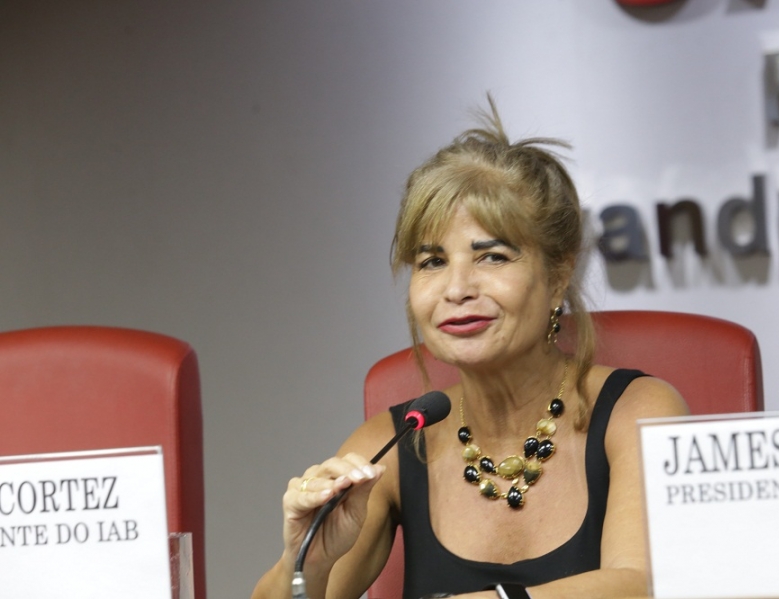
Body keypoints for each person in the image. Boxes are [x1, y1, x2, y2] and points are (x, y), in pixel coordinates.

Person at [252, 99, 689, 599]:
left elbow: (643, 586)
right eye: (432, 262)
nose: (457, 289)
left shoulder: (638, 412)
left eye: (493, 257)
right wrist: (306, 562)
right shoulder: (390, 444)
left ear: (558, 276)